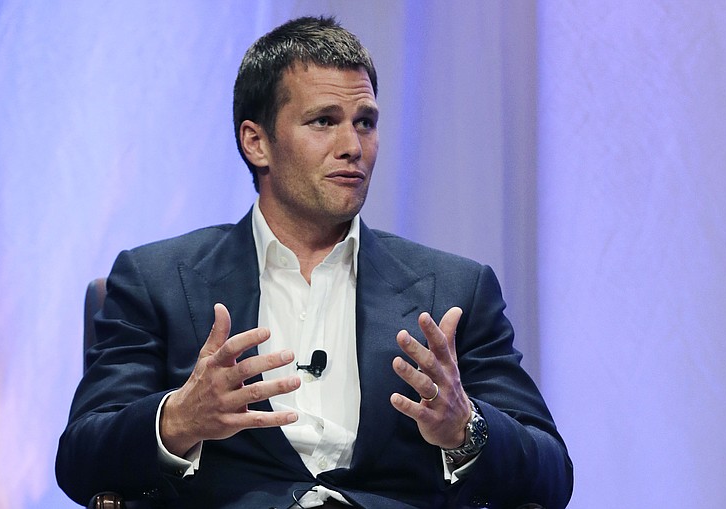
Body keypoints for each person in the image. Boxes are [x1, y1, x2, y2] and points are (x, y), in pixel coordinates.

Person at [56, 16, 573, 509]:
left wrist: (466, 429)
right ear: (256, 141)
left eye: (365, 123)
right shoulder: (157, 280)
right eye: (324, 122)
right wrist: (179, 420)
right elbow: (81, 457)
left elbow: (551, 471)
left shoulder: (456, 290)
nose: (353, 147)